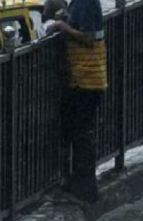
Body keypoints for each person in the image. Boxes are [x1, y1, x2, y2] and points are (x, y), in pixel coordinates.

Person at [48, 0, 107, 203]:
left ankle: (83, 189)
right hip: (86, 78)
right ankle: (81, 186)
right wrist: (66, 21)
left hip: (86, 79)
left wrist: (63, 27)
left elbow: (88, 38)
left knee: (80, 134)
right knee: (80, 133)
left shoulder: (85, 2)